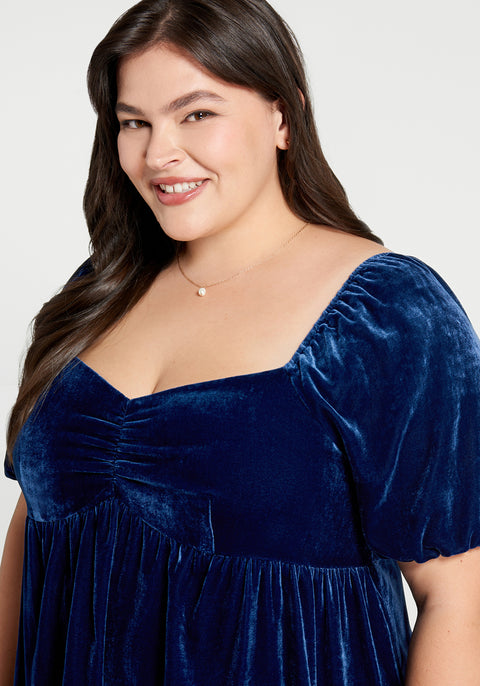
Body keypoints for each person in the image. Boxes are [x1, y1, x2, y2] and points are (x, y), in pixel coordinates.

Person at [1, 0, 480, 683]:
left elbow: (459, 597)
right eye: (134, 122)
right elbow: (34, 531)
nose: (159, 153)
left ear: (284, 117)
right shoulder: (100, 290)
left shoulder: (389, 313)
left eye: (197, 113)